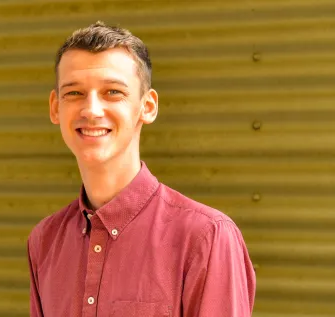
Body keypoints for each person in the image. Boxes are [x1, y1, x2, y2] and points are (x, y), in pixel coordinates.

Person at [27, 21, 256, 317]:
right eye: (74, 93)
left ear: (147, 107)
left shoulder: (206, 238)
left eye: (112, 92)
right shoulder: (44, 241)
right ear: (55, 107)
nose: (92, 110)